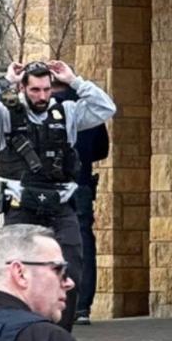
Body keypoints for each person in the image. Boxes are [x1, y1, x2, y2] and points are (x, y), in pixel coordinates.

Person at [0, 60, 117, 336]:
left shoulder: (67, 113)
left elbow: (106, 108)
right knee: (17, 274)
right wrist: (5, 81)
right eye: (35, 90)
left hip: (60, 207)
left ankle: (61, 336)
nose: (42, 96)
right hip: (21, 208)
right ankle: (20, 333)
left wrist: (74, 81)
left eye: (46, 89)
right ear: (23, 87)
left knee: (71, 269)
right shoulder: (3, 116)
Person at [58, 85, 109, 326]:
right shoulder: (86, 109)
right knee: (83, 242)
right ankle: (82, 306)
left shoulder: (41, 107)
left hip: (52, 186)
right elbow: (102, 148)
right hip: (82, 182)